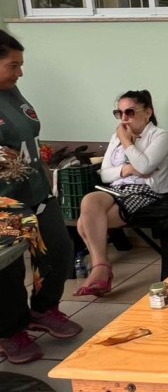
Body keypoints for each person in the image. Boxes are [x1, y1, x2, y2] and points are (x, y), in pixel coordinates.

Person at [0, 29, 82, 364]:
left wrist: (44, 170)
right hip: (6, 204)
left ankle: (44, 309)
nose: (20, 72)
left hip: (37, 192)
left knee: (58, 251)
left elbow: (27, 135)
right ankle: (10, 331)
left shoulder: (11, 91)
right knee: (8, 269)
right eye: (13, 65)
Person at [74, 90, 168, 297]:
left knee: (84, 223)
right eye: (119, 113)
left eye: (130, 112)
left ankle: (101, 271)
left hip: (147, 191)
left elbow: (144, 167)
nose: (124, 118)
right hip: (116, 189)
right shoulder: (115, 137)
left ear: (147, 113)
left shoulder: (160, 136)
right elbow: (104, 174)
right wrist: (127, 169)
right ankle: (101, 267)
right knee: (89, 200)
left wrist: (126, 141)